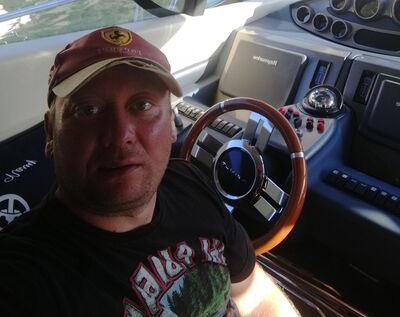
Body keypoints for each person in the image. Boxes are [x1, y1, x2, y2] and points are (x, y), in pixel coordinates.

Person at [0, 26, 298, 316]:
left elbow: (256, 298)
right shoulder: (22, 278)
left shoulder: (191, 182)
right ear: (50, 133)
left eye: (142, 105)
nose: (120, 136)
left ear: (171, 125)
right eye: (88, 110)